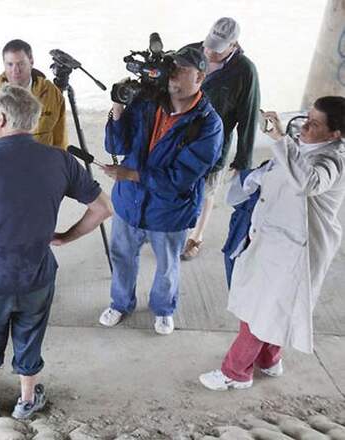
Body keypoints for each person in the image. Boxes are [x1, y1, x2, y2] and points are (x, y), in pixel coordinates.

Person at [0, 84, 111, 420]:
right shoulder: (62, 161)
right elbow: (103, 208)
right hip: (36, 273)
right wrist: (65, 236)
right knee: (30, 336)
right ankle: (26, 400)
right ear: (33, 121)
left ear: (1, 119)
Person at [200, 96, 345, 390]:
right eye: (306, 118)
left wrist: (280, 138)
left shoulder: (331, 160)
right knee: (270, 307)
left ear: (335, 134)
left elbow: (309, 182)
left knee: (260, 310)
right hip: (273, 241)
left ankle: (236, 372)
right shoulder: (306, 147)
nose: (304, 127)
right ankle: (268, 359)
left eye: (314, 124)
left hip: (295, 250)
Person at [98, 45, 224, 335]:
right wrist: (118, 107)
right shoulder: (147, 103)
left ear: (200, 78)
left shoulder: (208, 125)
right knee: (121, 257)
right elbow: (116, 146)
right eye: (172, 68)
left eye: (183, 70)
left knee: (167, 266)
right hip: (129, 203)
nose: (173, 76)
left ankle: (163, 309)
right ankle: (120, 303)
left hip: (169, 211)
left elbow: (181, 178)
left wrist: (130, 173)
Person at [181, 17, 260, 260]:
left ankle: (197, 235)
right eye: (208, 44)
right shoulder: (188, 53)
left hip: (215, 142)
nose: (209, 52)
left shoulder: (245, 71)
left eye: (217, 49)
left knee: (206, 189)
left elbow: (248, 115)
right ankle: (172, 224)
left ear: (233, 44)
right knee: (177, 182)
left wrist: (242, 160)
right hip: (180, 135)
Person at [0, 39, 67, 157]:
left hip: (43, 168)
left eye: (21, 64)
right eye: (10, 64)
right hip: (2, 170)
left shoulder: (51, 93)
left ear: (31, 61)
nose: (15, 70)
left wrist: (59, 167)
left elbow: (61, 141)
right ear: (4, 64)